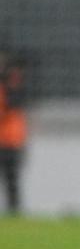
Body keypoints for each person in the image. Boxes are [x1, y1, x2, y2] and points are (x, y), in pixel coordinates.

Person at [0, 52, 27, 215]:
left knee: (12, 180)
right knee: (12, 180)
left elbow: (13, 104)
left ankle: (14, 211)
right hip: (9, 140)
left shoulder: (12, 84)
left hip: (11, 141)